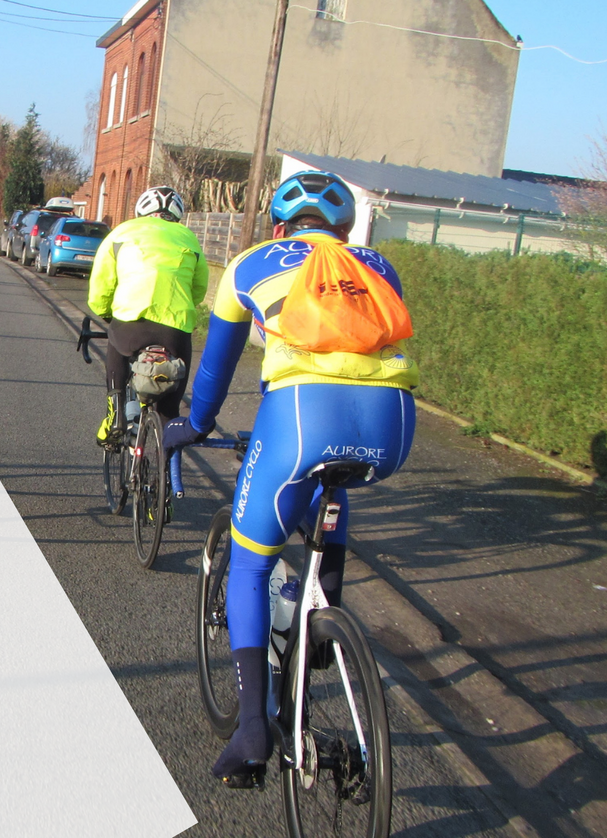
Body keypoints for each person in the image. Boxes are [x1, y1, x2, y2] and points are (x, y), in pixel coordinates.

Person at [161, 170, 419, 786]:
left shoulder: (251, 263)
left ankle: (251, 728)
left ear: (279, 227)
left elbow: (217, 371)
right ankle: (327, 615)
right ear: (345, 230)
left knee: (249, 565)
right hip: (395, 425)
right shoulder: (376, 262)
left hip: (302, 417)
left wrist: (195, 427)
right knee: (331, 492)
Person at [86, 186, 209, 446]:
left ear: (141, 211)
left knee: (117, 346)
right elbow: (198, 289)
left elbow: (101, 286)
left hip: (131, 322)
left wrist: (108, 314)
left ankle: (115, 415)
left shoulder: (122, 232)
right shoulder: (188, 237)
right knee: (170, 402)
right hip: (175, 328)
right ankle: (167, 456)